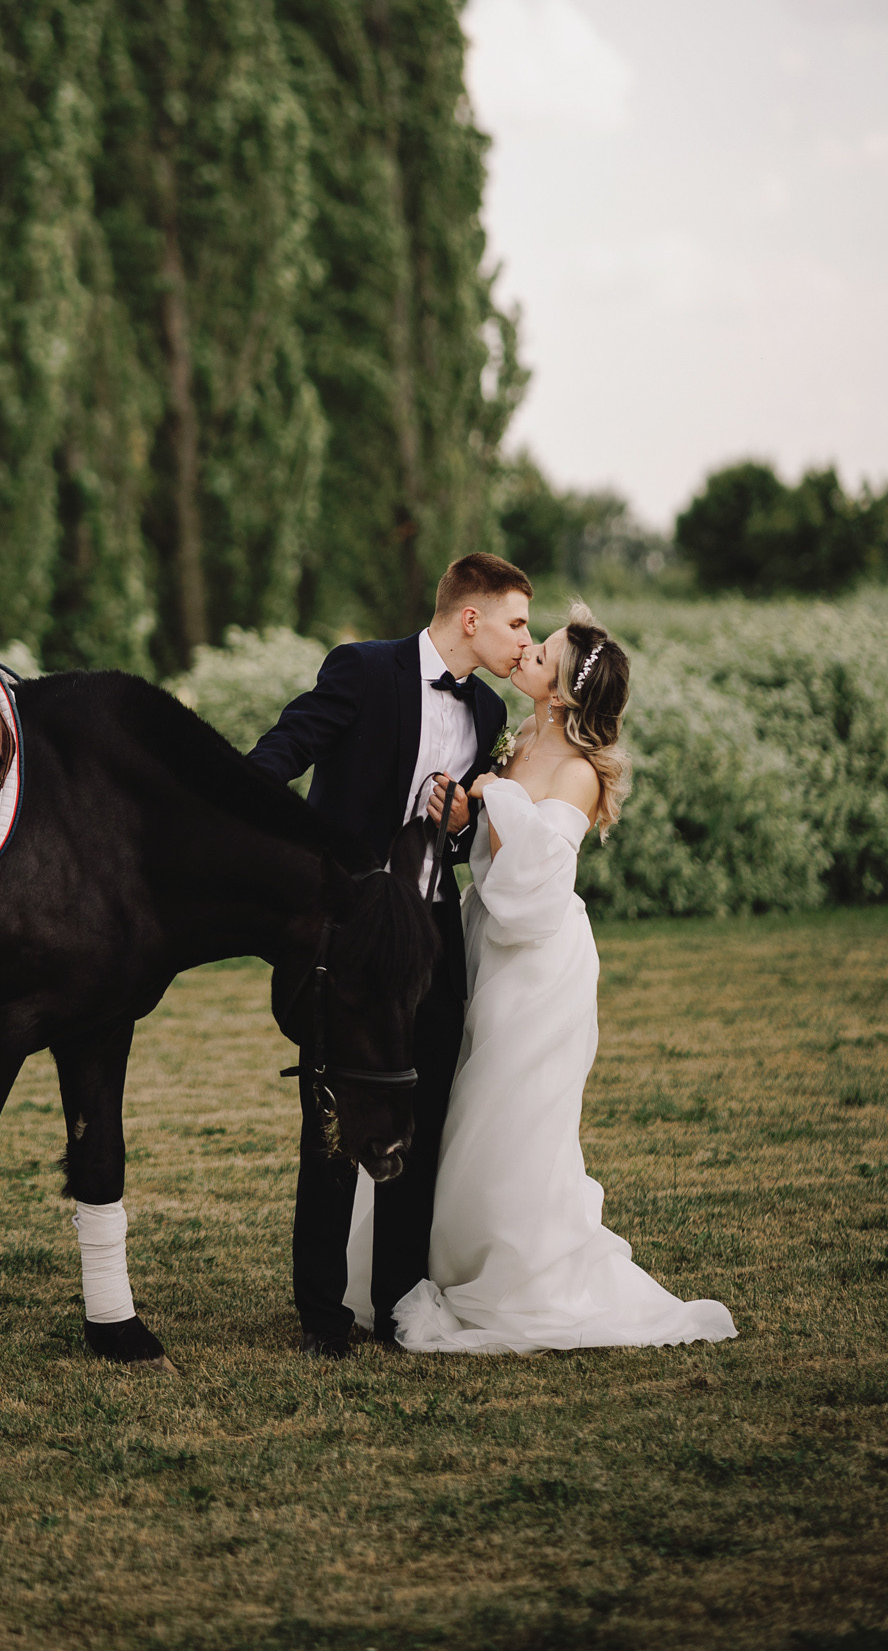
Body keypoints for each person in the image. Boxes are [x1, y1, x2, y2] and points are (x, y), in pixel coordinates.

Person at [390, 604, 736, 1355]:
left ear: (563, 693)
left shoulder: (576, 774)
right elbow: (485, 862)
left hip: (540, 965)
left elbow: (532, 896)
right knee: (461, 1109)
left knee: (511, 1120)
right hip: (485, 947)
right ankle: (444, 1258)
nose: (525, 652)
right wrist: (464, 810)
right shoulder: (512, 749)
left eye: (541, 651)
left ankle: (518, 1279)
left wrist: (495, 797)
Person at [248, 552, 534, 1355]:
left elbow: (468, 831)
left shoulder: (482, 714)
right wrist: (243, 828)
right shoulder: (364, 670)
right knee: (334, 1120)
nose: (525, 640)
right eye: (516, 622)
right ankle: (320, 1313)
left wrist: (455, 822)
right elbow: (287, 747)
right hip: (348, 935)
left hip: (433, 932)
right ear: (470, 617)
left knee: (426, 1109)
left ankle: (401, 1302)